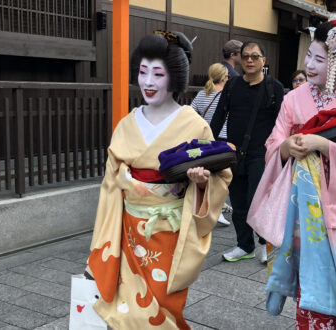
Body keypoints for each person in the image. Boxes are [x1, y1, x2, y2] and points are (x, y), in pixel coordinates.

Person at [85, 31, 231, 329]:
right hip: (127, 233)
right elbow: (110, 188)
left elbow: (219, 177)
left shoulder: (194, 124)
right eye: (142, 72)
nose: (148, 82)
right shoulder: (127, 124)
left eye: (158, 74)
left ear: (174, 78)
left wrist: (202, 183)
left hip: (170, 234)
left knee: (163, 307)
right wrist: (100, 244)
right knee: (126, 309)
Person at [260, 13, 336, 330]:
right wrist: (285, 149)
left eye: (320, 59)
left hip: (330, 212)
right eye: (309, 55)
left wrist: (322, 145)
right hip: (296, 210)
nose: (309, 65)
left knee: (323, 286)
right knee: (301, 279)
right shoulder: (293, 98)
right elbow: (273, 141)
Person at [211, 41, 285, 263]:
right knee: (238, 202)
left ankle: (264, 242)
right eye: (245, 57)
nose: (249, 60)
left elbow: (282, 123)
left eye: (254, 56)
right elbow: (218, 118)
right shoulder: (232, 86)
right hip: (233, 153)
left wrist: (278, 151)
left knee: (258, 200)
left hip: (261, 154)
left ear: (264, 60)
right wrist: (209, 144)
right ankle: (245, 245)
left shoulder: (274, 88)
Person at [191, 63, 231, 226]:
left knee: (210, 176)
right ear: (223, 77)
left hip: (207, 140)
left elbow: (191, 113)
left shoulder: (202, 94)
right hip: (223, 140)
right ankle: (217, 210)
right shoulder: (227, 95)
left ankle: (211, 208)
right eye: (227, 76)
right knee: (222, 178)